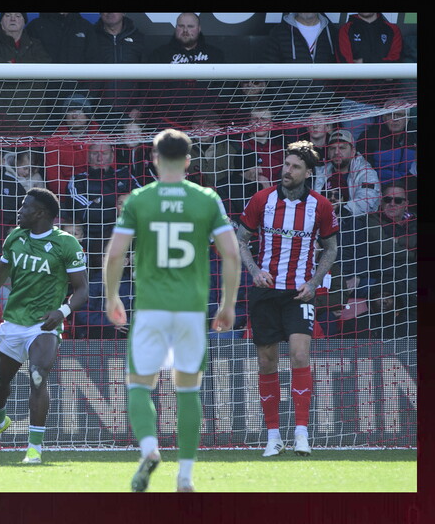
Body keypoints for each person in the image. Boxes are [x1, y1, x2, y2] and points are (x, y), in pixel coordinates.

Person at [103, 128, 240, 493]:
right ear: (189, 161)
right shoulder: (207, 199)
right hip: (192, 311)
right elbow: (231, 253)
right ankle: (185, 477)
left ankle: (149, 450)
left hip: (149, 309)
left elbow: (116, 253)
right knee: (188, 390)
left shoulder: (139, 199)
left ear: (154, 159)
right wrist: (227, 304)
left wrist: (112, 296)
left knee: (138, 384)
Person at [0, 188, 89, 465]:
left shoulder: (67, 244)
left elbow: (82, 290)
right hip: (13, 322)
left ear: (40, 213)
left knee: (38, 376)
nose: (20, 211)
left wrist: (62, 311)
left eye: (25, 207)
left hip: (44, 325)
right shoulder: (15, 237)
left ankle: (34, 450)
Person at [236, 140, 338, 458]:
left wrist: (315, 281)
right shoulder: (261, 200)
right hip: (265, 291)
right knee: (267, 361)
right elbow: (241, 239)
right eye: (285, 164)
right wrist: (253, 270)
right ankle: (273, 436)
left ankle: (302, 434)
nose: (287, 171)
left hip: (300, 292)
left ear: (308, 172)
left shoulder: (320, 206)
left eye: (294, 167)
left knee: (299, 354)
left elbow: (331, 248)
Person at [66, 142, 141, 240]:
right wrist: (118, 203)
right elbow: (85, 214)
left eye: (104, 153)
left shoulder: (125, 176)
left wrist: (99, 201)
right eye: (95, 153)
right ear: (88, 157)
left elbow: (143, 202)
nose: (99, 158)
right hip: (90, 237)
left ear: (112, 156)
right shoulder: (78, 180)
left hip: (125, 233)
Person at [87, 12, 148, 121]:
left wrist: (140, 107)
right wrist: (87, 108)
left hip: (130, 114)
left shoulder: (138, 38)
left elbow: (147, 80)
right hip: (96, 115)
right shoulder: (90, 36)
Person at [364, 182, 416, 305]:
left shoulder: (414, 219)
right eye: (388, 199)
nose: (392, 204)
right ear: (381, 202)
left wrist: (398, 240)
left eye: (397, 200)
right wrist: (413, 254)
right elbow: (382, 247)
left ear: (406, 204)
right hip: (385, 276)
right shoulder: (372, 219)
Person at [313, 129, 381, 217]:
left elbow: (366, 200)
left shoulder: (366, 173)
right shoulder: (319, 172)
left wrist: (341, 213)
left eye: (342, 148)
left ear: (353, 152)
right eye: (332, 148)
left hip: (357, 222)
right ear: (328, 153)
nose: (336, 152)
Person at [43, 94, 101, 196]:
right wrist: (71, 199)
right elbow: (53, 179)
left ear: (87, 115)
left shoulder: (101, 139)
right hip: (66, 199)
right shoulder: (54, 141)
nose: (74, 116)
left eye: (79, 111)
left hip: (98, 196)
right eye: (70, 111)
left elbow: (109, 172)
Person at [356, 102, 417, 186]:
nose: (394, 119)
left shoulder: (414, 136)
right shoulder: (369, 137)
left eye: (399, 115)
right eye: (390, 115)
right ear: (384, 118)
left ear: (407, 118)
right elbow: (364, 171)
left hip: (407, 188)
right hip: (378, 187)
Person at [148, 12, 225, 64]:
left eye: (190, 26)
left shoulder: (215, 55)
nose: (185, 30)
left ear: (199, 29)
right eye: (181, 26)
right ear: (176, 28)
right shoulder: (159, 55)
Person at [261, 13, 338, 63]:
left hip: (326, 88)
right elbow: (270, 71)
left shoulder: (332, 32)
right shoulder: (279, 32)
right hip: (292, 88)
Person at [24, 12, 96, 64]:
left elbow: (94, 60)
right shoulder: (35, 26)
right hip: (44, 83)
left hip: (76, 84)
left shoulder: (86, 27)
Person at [336, 13, 403, 63]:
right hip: (355, 81)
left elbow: (394, 63)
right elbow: (347, 66)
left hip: (384, 81)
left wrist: (364, 61)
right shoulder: (345, 29)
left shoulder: (393, 29)